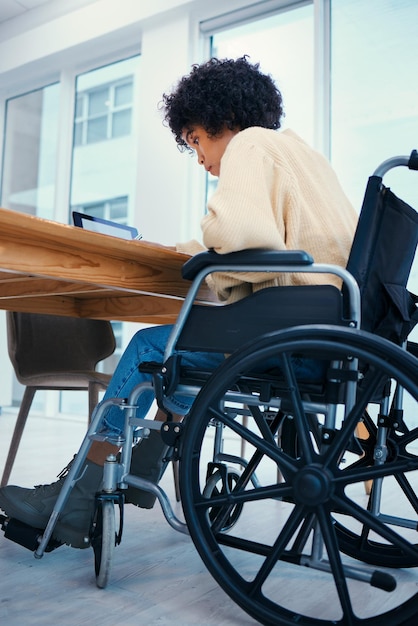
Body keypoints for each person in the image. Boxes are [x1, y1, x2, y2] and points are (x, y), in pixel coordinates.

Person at [0, 57, 358, 549]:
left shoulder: (251, 143)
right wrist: (195, 252)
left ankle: (80, 494)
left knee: (150, 347)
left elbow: (239, 234)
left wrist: (205, 247)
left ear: (220, 119)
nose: (201, 160)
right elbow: (270, 244)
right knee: (190, 343)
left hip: (288, 341)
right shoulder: (305, 156)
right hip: (334, 336)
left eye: (196, 141)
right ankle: (146, 459)